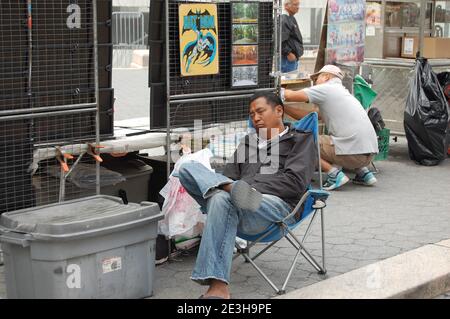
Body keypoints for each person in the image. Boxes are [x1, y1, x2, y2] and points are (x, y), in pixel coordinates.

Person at [177, 92, 316, 299]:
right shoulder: (248, 143)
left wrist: (246, 188)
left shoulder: (300, 139)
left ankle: (218, 287)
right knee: (187, 168)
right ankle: (219, 287)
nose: (255, 118)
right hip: (237, 206)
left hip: (274, 209)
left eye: (260, 111)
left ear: (279, 111)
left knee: (222, 196)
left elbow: (295, 183)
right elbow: (228, 177)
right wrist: (232, 187)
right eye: (252, 114)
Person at [281, 64, 379, 190]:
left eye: (317, 79)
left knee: (302, 142)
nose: (314, 82)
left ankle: (334, 174)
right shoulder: (341, 93)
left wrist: (277, 89)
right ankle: (363, 173)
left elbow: (289, 96)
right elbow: (309, 115)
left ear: (326, 77)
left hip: (353, 153)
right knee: (338, 139)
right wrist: (284, 109)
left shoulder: (326, 89)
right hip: (369, 154)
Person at [281, 0, 303, 73]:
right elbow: (281, 39)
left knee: (291, 81)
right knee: (288, 82)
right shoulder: (284, 19)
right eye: (295, 5)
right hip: (288, 58)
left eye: (298, 5)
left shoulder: (290, 18)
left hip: (291, 58)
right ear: (286, 6)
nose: (297, 7)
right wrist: (288, 53)